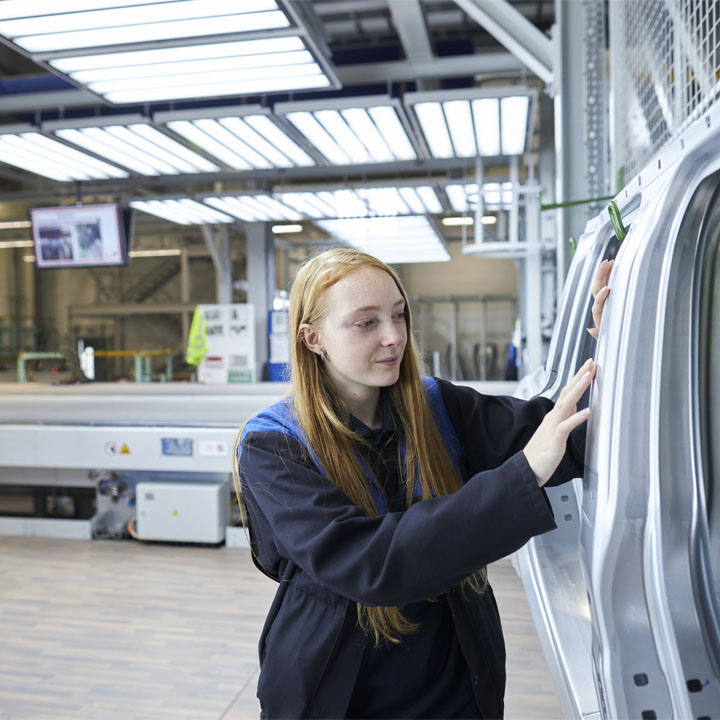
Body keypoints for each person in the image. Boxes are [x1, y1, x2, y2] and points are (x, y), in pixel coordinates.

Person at [235, 248, 611, 719]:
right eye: (365, 323)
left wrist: (613, 342)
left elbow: (570, 431)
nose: (394, 337)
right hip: (338, 691)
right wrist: (523, 473)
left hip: (454, 682)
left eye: (399, 315)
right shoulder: (274, 446)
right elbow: (369, 563)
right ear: (313, 339)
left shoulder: (437, 408)